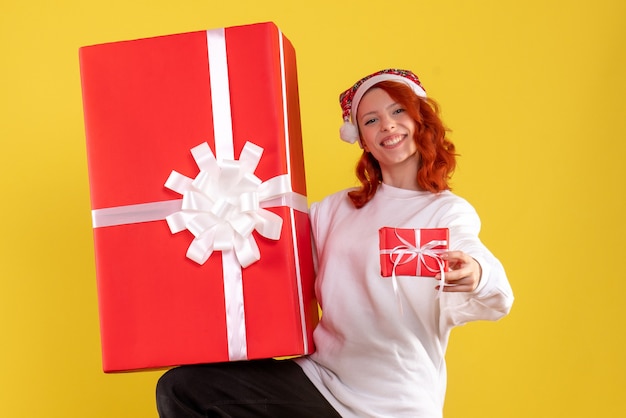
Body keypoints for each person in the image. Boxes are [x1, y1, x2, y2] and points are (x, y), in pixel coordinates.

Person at [155, 68, 514, 418]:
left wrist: (477, 272)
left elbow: (492, 282)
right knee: (183, 387)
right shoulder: (335, 208)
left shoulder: (446, 212)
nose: (387, 125)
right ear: (360, 138)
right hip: (319, 380)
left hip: (396, 402)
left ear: (420, 120)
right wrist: (215, 206)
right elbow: (273, 256)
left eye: (398, 111)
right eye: (370, 120)